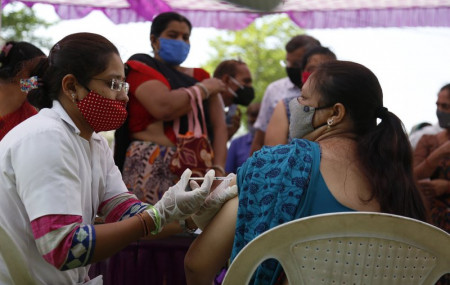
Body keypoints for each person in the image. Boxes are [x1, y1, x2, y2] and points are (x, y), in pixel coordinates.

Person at [0, 32, 236, 284]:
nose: (124, 96)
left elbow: (124, 211)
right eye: (113, 84)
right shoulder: (46, 137)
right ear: (71, 87)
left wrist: (187, 216)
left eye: (124, 85)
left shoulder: (94, 142)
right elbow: (64, 248)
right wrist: (156, 216)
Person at [185, 60, 427, 285]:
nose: (295, 106)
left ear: (335, 113)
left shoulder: (273, 168)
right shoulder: (400, 185)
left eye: (303, 98)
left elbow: (197, 266)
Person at [114, 12, 227, 205]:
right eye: (173, 35)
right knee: (148, 226)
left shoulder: (201, 75)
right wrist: (204, 89)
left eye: (185, 37)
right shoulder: (140, 66)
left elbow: (219, 127)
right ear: (154, 40)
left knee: (191, 229)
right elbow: (163, 107)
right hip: (150, 163)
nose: (180, 41)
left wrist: (218, 169)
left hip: (196, 167)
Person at [249, 34, 321, 155]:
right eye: (287, 62)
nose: (290, 68)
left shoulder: (331, 91)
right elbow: (259, 139)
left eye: (297, 64)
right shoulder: (275, 90)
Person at [265, 46, 336, 146]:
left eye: (325, 69)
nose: (317, 74)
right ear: (302, 73)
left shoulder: (342, 108)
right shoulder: (286, 106)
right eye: (311, 69)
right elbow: (272, 154)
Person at [413, 83, 450, 233]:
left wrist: (447, 186)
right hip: (433, 223)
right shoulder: (428, 140)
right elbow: (414, 175)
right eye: (438, 105)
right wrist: (439, 153)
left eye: (446, 106)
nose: (440, 111)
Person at [0, 41, 45, 140]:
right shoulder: (13, 87)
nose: (39, 78)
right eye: (38, 69)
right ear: (20, 68)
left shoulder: (29, 115)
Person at [213, 59, 255, 140]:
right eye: (246, 81)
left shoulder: (224, 114)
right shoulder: (202, 109)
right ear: (226, 80)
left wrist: (227, 135)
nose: (250, 87)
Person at [225, 102, 260, 174]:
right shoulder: (236, 143)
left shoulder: (273, 142)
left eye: (259, 115)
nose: (256, 120)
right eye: (253, 115)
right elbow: (227, 173)